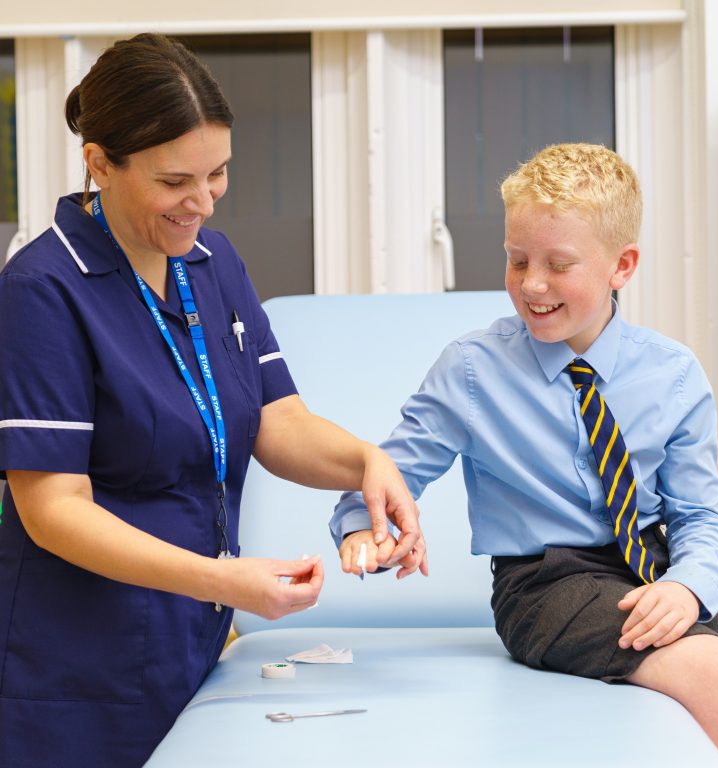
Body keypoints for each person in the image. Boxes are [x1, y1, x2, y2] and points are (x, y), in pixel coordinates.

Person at [0, 33, 423, 768]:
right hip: (78, 666)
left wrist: (365, 462)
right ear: (98, 162)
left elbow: (273, 418)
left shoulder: (210, 261)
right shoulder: (42, 290)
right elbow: (53, 510)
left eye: (218, 173)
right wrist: (223, 579)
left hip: (195, 642)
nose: (201, 202)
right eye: (173, 183)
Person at [332, 143, 718, 767]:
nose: (532, 284)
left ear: (623, 265)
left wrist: (688, 587)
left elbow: (699, 517)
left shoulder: (674, 376)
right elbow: (386, 475)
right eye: (516, 261)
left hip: (651, 569)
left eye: (558, 264)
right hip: (543, 585)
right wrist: (364, 531)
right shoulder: (474, 370)